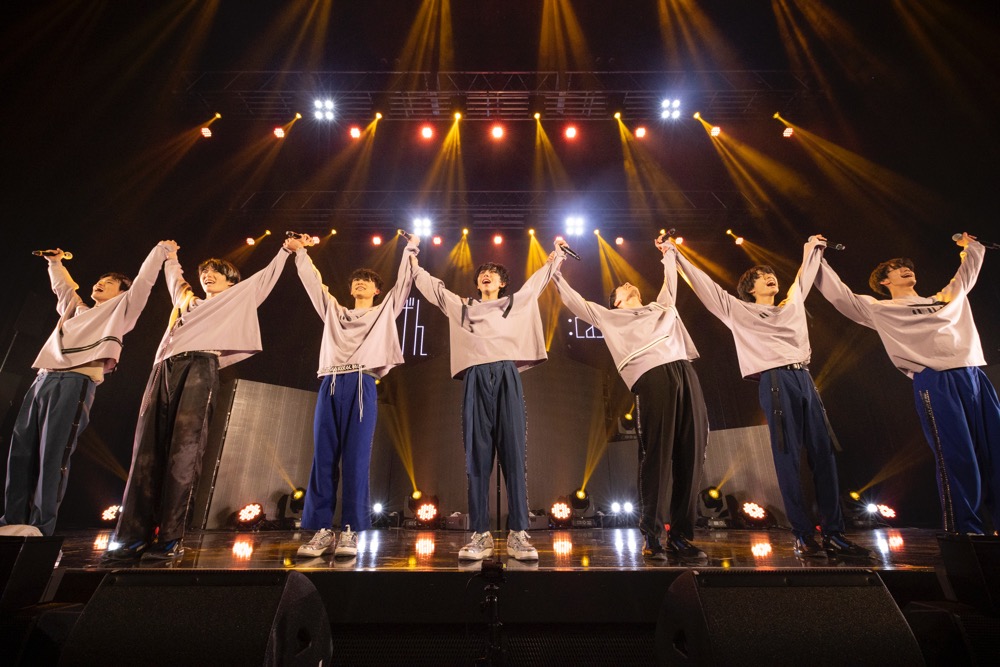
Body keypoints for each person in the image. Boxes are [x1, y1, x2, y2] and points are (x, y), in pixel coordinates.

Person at [672, 235, 868, 558]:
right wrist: (676, 256)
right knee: (788, 458)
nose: (770, 277)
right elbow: (706, 287)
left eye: (771, 274)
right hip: (775, 380)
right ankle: (803, 534)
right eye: (762, 276)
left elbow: (805, 275)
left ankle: (834, 534)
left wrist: (810, 248)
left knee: (824, 455)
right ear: (750, 288)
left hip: (804, 378)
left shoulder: (791, 304)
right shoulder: (738, 310)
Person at [104, 238, 295, 561]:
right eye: (205, 272)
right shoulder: (188, 301)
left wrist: (286, 250)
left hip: (200, 365)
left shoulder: (238, 296)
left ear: (231, 281)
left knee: (185, 451)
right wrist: (171, 256)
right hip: (164, 367)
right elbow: (174, 279)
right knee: (146, 451)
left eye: (216, 272)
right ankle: (132, 536)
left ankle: (169, 537)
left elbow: (266, 276)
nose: (208, 276)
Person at [814, 232, 1000, 535]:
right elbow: (840, 296)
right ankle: (966, 532)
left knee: (995, 449)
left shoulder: (943, 299)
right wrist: (816, 257)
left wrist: (972, 247)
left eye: (908, 266)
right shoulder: (879, 308)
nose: (905, 269)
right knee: (957, 456)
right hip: (935, 380)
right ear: (884, 281)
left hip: (973, 375)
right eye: (896, 268)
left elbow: (966, 275)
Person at [553, 235, 709, 561]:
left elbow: (671, 280)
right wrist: (556, 264)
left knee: (692, 455)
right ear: (616, 303)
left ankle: (681, 537)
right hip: (651, 376)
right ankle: (652, 535)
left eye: (627, 284)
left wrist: (668, 253)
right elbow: (573, 300)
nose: (627, 283)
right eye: (620, 289)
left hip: (684, 370)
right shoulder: (609, 317)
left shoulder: (661, 307)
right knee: (657, 456)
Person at [0, 243, 172, 536]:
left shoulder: (122, 310)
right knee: (21, 451)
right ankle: (12, 520)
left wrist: (160, 251)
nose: (100, 283)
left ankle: (40, 525)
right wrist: (55, 262)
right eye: (99, 280)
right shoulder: (77, 310)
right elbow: (64, 289)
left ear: (122, 292)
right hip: (43, 379)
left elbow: (143, 281)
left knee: (53, 453)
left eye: (109, 282)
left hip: (75, 381)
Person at [410, 240, 566, 561]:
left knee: (514, 456)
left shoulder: (512, 303)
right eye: (483, 272)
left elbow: (536, 284)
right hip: (475, 377)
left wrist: (556, 258)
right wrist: (412, 260)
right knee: (477, 458)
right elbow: (434, 289)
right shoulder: (463, 306)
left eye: (493, 273)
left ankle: (518, 534)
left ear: (503, 283)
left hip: (506, 374)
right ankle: (480, 534)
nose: (487, 275)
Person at [287, 233, 420, 559]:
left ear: (377, 291)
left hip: (362, 383)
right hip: (331, 382)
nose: (361, 283)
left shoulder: (384, 311)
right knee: (323, 459)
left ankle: (350, 530)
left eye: (368, 281)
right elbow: (314, 285)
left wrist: (410, 248)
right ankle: (321, 530)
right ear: (350, 290)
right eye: (356, 280)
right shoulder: (334, 311)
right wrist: (300, 253)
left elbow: (403, 284)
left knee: (356, 460)